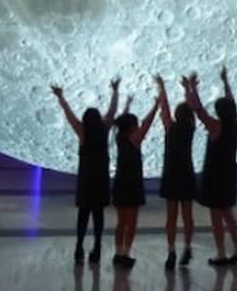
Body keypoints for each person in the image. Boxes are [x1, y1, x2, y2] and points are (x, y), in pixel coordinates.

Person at [51, 77, 120, 265]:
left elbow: (69, 114)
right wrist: (115, 91)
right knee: (98, 215)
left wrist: (61, 97)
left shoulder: (82, 131)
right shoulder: (104, 129)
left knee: (83, 214)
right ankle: (97, 247)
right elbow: (112, 111)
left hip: (86, 179)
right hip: (101, 179)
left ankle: (79, 246)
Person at [186, 68, 237, 265]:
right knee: (228, 214)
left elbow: (199, 110)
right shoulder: (234, 125)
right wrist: (226, 82)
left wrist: (192, 88)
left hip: (214, 175)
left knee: (216, 216)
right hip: (228, 174)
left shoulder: (216, 126)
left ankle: (221, 252)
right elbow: (231, 104)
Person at [112, 93, 160, 269]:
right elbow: (146, 125)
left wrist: (127, 104)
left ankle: (118, 252)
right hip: (132, 184)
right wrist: (156, 107)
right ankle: (126, 253)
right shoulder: (134, 139)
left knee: (121, 222)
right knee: (131, 222)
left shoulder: (119, 136)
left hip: (120, 182)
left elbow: (124, 121)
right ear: (131, 127)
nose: (138, 126)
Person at [154, 73, 196, 270]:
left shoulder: (170, 128)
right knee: (187, 215)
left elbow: (164, 107)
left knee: (171, 217)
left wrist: (162, 86)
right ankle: (187, 247)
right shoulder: (190, 129)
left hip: (171, 174)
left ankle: (171, 251)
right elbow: (194, 108)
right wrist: (188, 89)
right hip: (186, 173)